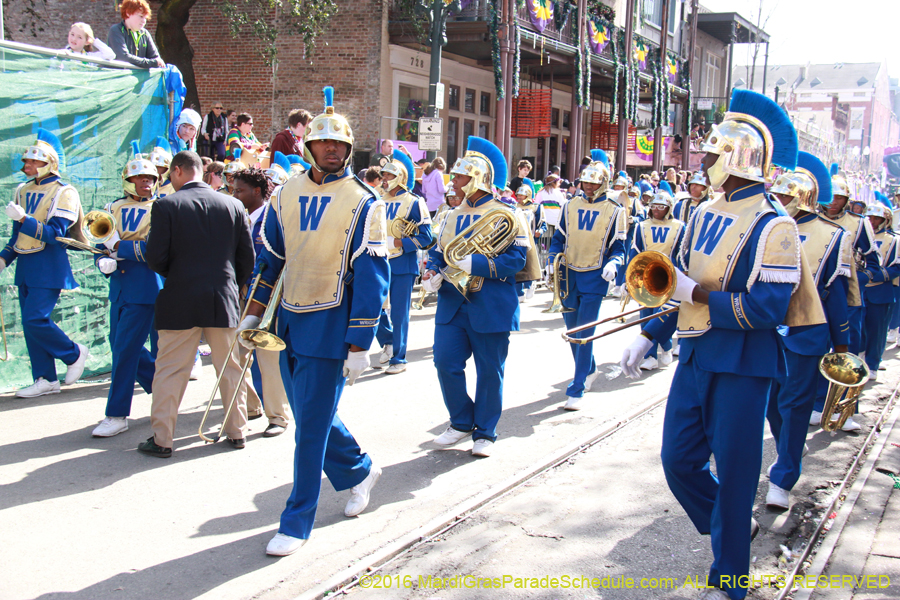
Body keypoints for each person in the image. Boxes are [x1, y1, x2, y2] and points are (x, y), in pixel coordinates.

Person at [619, 89, 820, 600]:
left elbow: (766, 310)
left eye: (710, 154)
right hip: (695, 354)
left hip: (745, 365)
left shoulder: (774, 224)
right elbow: (674, 281)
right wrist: (649, 333)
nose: (702, 162)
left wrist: (701, 296)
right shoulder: (705, 209)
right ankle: (733, 528)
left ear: (735, 158)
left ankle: (730, 580)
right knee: (678, 461)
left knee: (734, 476)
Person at [240, 86, 389, 557]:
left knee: (308, 431)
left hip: (333, 325)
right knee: (311, 417)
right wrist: (253, 311)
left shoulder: (366, 201)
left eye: (339, 145)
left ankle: (297, 519)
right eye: (323, 143)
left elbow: (372, 275)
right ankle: (361, 469)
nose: (331, 150)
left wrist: (361, 341)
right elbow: (272, 262)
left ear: (347, 150)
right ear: (307, 148)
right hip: (286, 322)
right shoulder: (285, 193)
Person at [141, 151, 255, 458]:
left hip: (180, 296)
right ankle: (237, 430)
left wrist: (179, 274)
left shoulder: (165, 205)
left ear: (178, 171)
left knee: (169, 371)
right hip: (223, 297)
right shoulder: (233, 204)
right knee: (231, 368)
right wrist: (230, 283)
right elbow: (247, 258)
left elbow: (155, 258)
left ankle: (162, 438)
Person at [422, 136, 528, 458]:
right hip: (453, 303)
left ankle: (486, 432)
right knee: (445, 362)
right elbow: (439, 253)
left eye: (459, 177)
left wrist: (477, 263)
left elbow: (518, 259)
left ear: (477, 179)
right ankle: (461, 421)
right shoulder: (450, 215)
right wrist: (430, 273)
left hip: (491, 304)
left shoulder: (507, 213)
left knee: (488, 370)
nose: (452, 182)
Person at [765, 152, 851, 509]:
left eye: (785, 196)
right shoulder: (766, 225)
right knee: (772, 405)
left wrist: (843, 343)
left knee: (795, 404)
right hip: (768, 331)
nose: (778, 201)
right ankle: (789, 446)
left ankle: (784, 479)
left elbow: (838, 296)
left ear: (801, 196)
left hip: (807, 332)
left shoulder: (832, 235)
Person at [0, 128, 89, 398]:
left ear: (49, 162)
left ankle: (74, 353)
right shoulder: (23, 190)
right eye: (26, 161)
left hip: (49, 265)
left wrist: (23, 219)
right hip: (26, 266)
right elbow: (17, 237)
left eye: (33, 161)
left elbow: (55, 235)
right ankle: (45, 378)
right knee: (30, 325)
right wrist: (3, 259)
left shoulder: (65, 192)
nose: (27, 166)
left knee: (35, 319)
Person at [91, 143, 163, 437]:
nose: (146, 182)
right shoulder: (112, 208)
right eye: (140, 178)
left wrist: (120, 249)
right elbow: (99, 243)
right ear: (128, 180)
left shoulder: (161, 208)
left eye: (150, 178)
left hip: (146, 286)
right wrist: (101, 261)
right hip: (119, 287)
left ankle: (116, 413)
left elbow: (157, 250)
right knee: (118, 344)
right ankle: (162, 382)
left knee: (124, 349)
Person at [548, 149, 625, 410]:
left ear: (603, 182)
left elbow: (620, 248)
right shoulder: (569, 205)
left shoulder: (616, 210)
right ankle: (589, 369)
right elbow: (558, 239)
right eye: (585, 181)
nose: (589, 186)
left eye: (594, 182)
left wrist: (614, 263)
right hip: (568, 274)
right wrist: (552, 259)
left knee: (585, 333)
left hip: (595, 276)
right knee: (573, 332)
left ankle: (577, 387)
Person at [231, 168, 291, 437]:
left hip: (266, 296)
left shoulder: (273, 216)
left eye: (240, 190)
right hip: (240, 294)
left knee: (268, 357)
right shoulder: (237, 216)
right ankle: (252, 406)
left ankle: (278, 416)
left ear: (257, 191)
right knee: (237, 355)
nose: (235, 195)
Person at [374, 150, 433, 374]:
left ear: (399, 177)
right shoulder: (377, 198)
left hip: (401, 263)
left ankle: (399, 358)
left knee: (399, 313)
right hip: (377, 260)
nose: (385, 180)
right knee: (372, 307)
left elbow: (427, 237)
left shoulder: (414, 202)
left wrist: (399, 242)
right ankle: (389, 341)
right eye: (383, 176)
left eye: (389, 176)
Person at [821, 165, 878, 359]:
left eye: (839, 198)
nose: (833, 202)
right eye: (830, 196)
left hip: (847, 292)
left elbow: (873, 263)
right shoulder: (811, 218)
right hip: (816, 290)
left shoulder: (858, 222)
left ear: (846, 200)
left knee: (847, 341)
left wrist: (857, 281)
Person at [628, 181, 684, 371]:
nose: (657, 209)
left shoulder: (679, 227)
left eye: (661, 206)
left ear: (669, 208)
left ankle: (666, 346)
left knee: (662, 315)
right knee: (645, 316)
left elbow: (681, 256)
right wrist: (626, 281)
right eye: (654, 206)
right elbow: (635, 252)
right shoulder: (641, 226)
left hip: (669, 277)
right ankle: (650, 356)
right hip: (645, 278)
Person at [857, 193, 900, 381]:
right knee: (858, 329)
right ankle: (859, 358)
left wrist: (876, 275)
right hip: (860, 290)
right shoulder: (860, 235)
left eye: (877, 218)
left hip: (880, 290)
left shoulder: (894, 240)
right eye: (870, 218)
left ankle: (873, 363)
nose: (873, 222)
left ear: (885, 220)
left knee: (877, 330)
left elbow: (897, 266)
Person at [107, 0, 165, 69]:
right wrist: (151, 63)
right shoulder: (116, 30)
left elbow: (156, 58)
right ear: (128, 13)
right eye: (140, 16)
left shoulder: (145, 34)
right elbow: (123, 57)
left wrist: (154, 62)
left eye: (145, 18)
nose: (144, 21)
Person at [513, 178, 545, 300]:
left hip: (531, 240)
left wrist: (539, 231)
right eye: (518, 195)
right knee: (519, 264)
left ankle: (531, 284)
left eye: (521, 195)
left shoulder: (536, 207)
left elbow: (543, 224)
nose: (519, 197)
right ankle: (519, 291)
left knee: (530, 263)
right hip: (518, 240)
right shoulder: (514, 207)